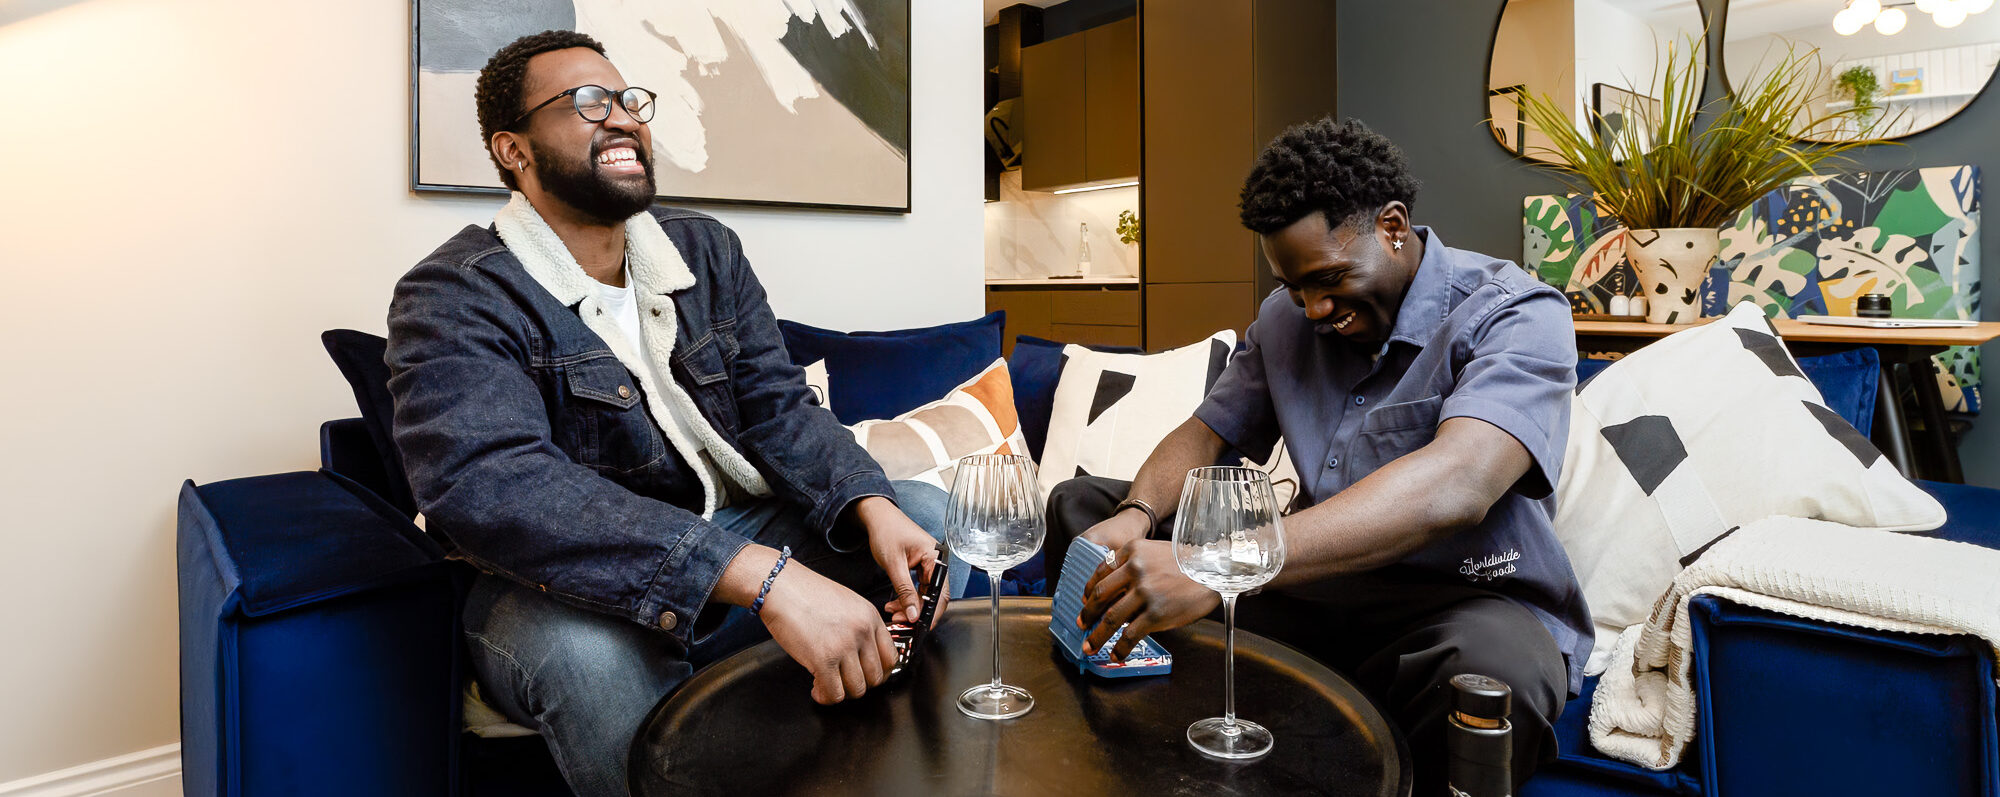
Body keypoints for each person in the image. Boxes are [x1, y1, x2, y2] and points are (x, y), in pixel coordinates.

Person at [386, 30, 948, 796]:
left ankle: (888, 772)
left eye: (629, 100)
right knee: (591, 661)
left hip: (733, 531)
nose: (621, 117)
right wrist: (761, 577)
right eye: (586, 103)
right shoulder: (455, 293)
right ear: (514, 151)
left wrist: (871, 501)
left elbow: (778, 407)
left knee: (926, 521)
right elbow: (494, 486)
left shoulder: (707, 251)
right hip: (548, 586)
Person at [1047, 117, 1590, 793]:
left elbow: (1458, 484)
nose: (1312, 306)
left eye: (1329, 278)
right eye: (1294, 285)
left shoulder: (1516, 313)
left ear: (1392, 227)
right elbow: (1204, 433)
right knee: (1083, 507)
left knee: (1492, 674)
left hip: (1460, 605)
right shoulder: (1287, 317)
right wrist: (1135, 510)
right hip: (1314, 587)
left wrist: (1214, 565)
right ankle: (1148, 739)